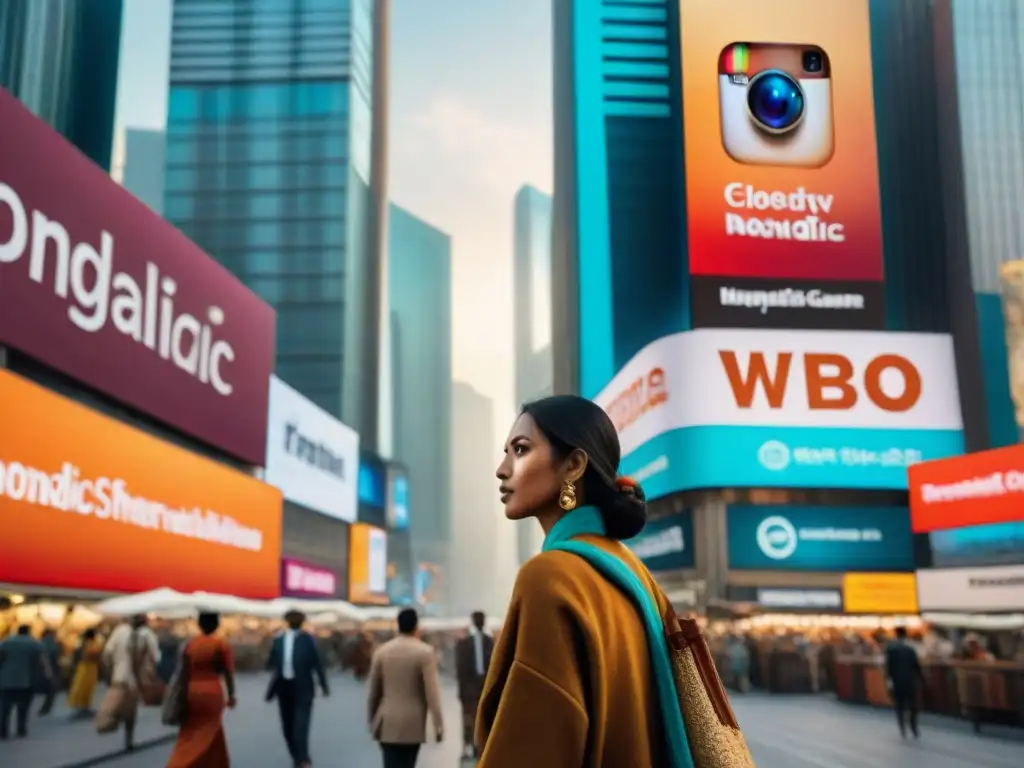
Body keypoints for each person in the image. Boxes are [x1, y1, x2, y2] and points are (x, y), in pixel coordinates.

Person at [479, 395, 682, 766]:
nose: (502, 469)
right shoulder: (631, 570)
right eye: (505, 452)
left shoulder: (551, 576)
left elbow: (533, 748)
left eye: (521, 450)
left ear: (573, 465)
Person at [367, 607, 443, 768]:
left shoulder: (381, 651)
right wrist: (438, 724)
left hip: (387, 722)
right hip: (412, 725)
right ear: (416, 627)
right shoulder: (425, 652)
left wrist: (372, 719)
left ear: (398, 625)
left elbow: (374, 692)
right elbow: (432, 692)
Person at [166, 612, 236, 768]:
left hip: (192, 691)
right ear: (217, 625)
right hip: (212, 692)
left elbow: (183, 670)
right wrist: (231, 695)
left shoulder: (190, 644)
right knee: (211, 730)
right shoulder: (221, 645)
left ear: (199, 624)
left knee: (190, 732)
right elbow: (228, 673)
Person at [266, 610, 329, 768]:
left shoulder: (307, 640)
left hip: (303, 687)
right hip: (284, 687)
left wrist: (323, 684)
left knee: (300, 724)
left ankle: (302, 758)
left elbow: (317, 663)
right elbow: (272, 662)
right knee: (287, 725)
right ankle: (297, 755)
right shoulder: (279, 640)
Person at [101, 614, 161, 751]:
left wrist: (110, 672)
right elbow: (156, 657)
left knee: (119, 706)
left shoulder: (120, 631)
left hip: (119, 677)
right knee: (130, 711)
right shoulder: (147, 635)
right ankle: (128, 739)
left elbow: (107, 654)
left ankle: (118, 728)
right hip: (135, 680)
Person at [455, 611, 494, 759]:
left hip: (485, 688)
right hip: (469, 691)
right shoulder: (464, 643)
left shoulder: (490, 641)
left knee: (483, 719)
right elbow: (460, 669)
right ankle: (467, 746)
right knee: (467, 720)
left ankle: (480, 747)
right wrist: (462, 691)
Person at [0, 625, 49, 740]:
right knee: (23, 708)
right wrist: (47, 674)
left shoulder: (6, 642)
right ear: (28, 632)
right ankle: (21, 729)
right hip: (25, 680)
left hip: (6, 680)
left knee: (5, 708)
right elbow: (42, 658)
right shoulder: (33, 643)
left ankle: (3, 730)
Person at [885, 626, 926, 739]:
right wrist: (922, 678)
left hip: (897, 681)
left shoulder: (891, 650)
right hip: (910, 681)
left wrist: (888, 681)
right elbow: (917, 666)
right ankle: (913, 727)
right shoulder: (910, 650)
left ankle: (902, 727)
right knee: (913, 705)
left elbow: (888, 667)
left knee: (900, 705)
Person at [67, 628, 103, 718]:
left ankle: (83, 706)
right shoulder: (91, 644)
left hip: (86, 667)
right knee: (83, 687)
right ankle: (82, 706)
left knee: (83, 687)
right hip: (88, 667)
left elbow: (86, 656)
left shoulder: (87, 644)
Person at [37, 628, 62, 715]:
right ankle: (45, 708)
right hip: (50, 670)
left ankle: (45, 708)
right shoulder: (52, 645)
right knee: (51, 690)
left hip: (42, 671)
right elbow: (54, 659)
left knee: (49, 690)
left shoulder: (40, 643)